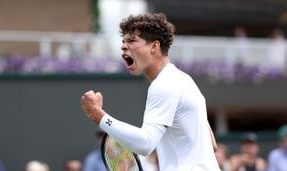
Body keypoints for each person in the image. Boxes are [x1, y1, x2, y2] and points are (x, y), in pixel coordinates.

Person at [80, 13, 220, 171]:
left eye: (132, 40)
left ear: (155, 46)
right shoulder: (184, 80)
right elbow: (211, 144)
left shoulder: (163, 84)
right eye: (123, 42)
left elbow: (145, 144)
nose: (124, 46)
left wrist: (98, 115)